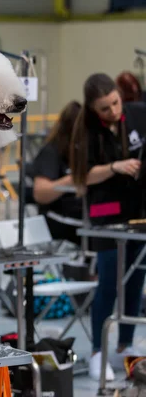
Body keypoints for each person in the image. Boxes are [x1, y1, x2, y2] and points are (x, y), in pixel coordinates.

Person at [69, 73, 146, 381]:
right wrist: (114, 167)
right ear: (92, 109)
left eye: (115, 103)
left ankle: (127, 346)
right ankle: (98, 351)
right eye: (104, 108)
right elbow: (82, 177)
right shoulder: (86, 131)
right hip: (106, 216)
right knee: (109, 282)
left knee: (135, 280)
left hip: (138, 213)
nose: (113, 111)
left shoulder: (139, 112)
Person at [32, 101, 83, 245]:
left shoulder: (86, 151)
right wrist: (74, 179)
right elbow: (40, 193)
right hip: (60, 223)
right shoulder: (52, 152)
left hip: (87, 219)